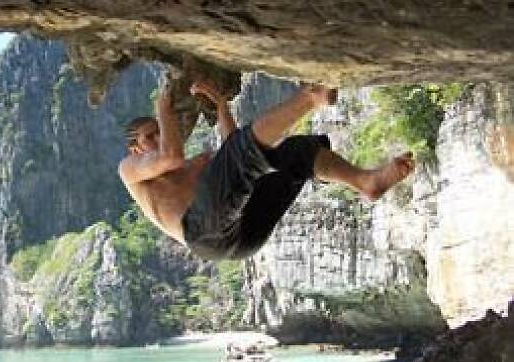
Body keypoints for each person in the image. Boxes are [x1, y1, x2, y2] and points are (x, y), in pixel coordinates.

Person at [118, 80, 414, 260]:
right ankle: (312, 97)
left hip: (243, 234)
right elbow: (171, 156)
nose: (158, 138)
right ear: (135, 149)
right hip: (203, 234)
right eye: (149, 136)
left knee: (297, 152)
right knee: (240, 153)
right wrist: (162, 108)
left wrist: (221, 105)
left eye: (159, 132)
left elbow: (236, 153)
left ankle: (366, 181)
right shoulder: (130, 170)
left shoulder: (199, 166)